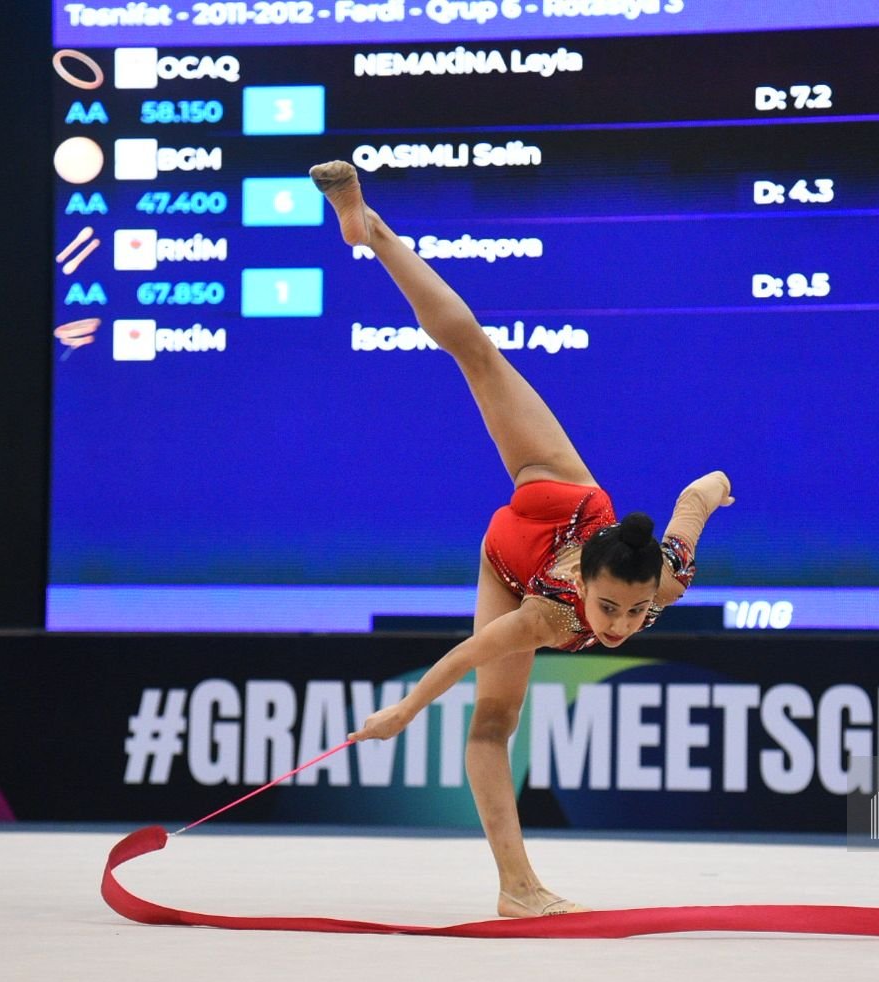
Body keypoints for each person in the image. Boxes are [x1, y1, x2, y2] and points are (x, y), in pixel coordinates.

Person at [310, 161, 734, 916]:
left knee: (495, 724)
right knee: (477, 354)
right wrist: (401, 714)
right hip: (550, 486)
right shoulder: (548, 617)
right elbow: (462, 657)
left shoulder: (662, 578)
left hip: (503, 558)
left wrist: (717, 492)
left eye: (635, 614)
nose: (620, 626)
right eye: (610, 610)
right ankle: (371, 231)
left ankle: (517, 889)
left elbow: (694, 498)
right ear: (589, 587)